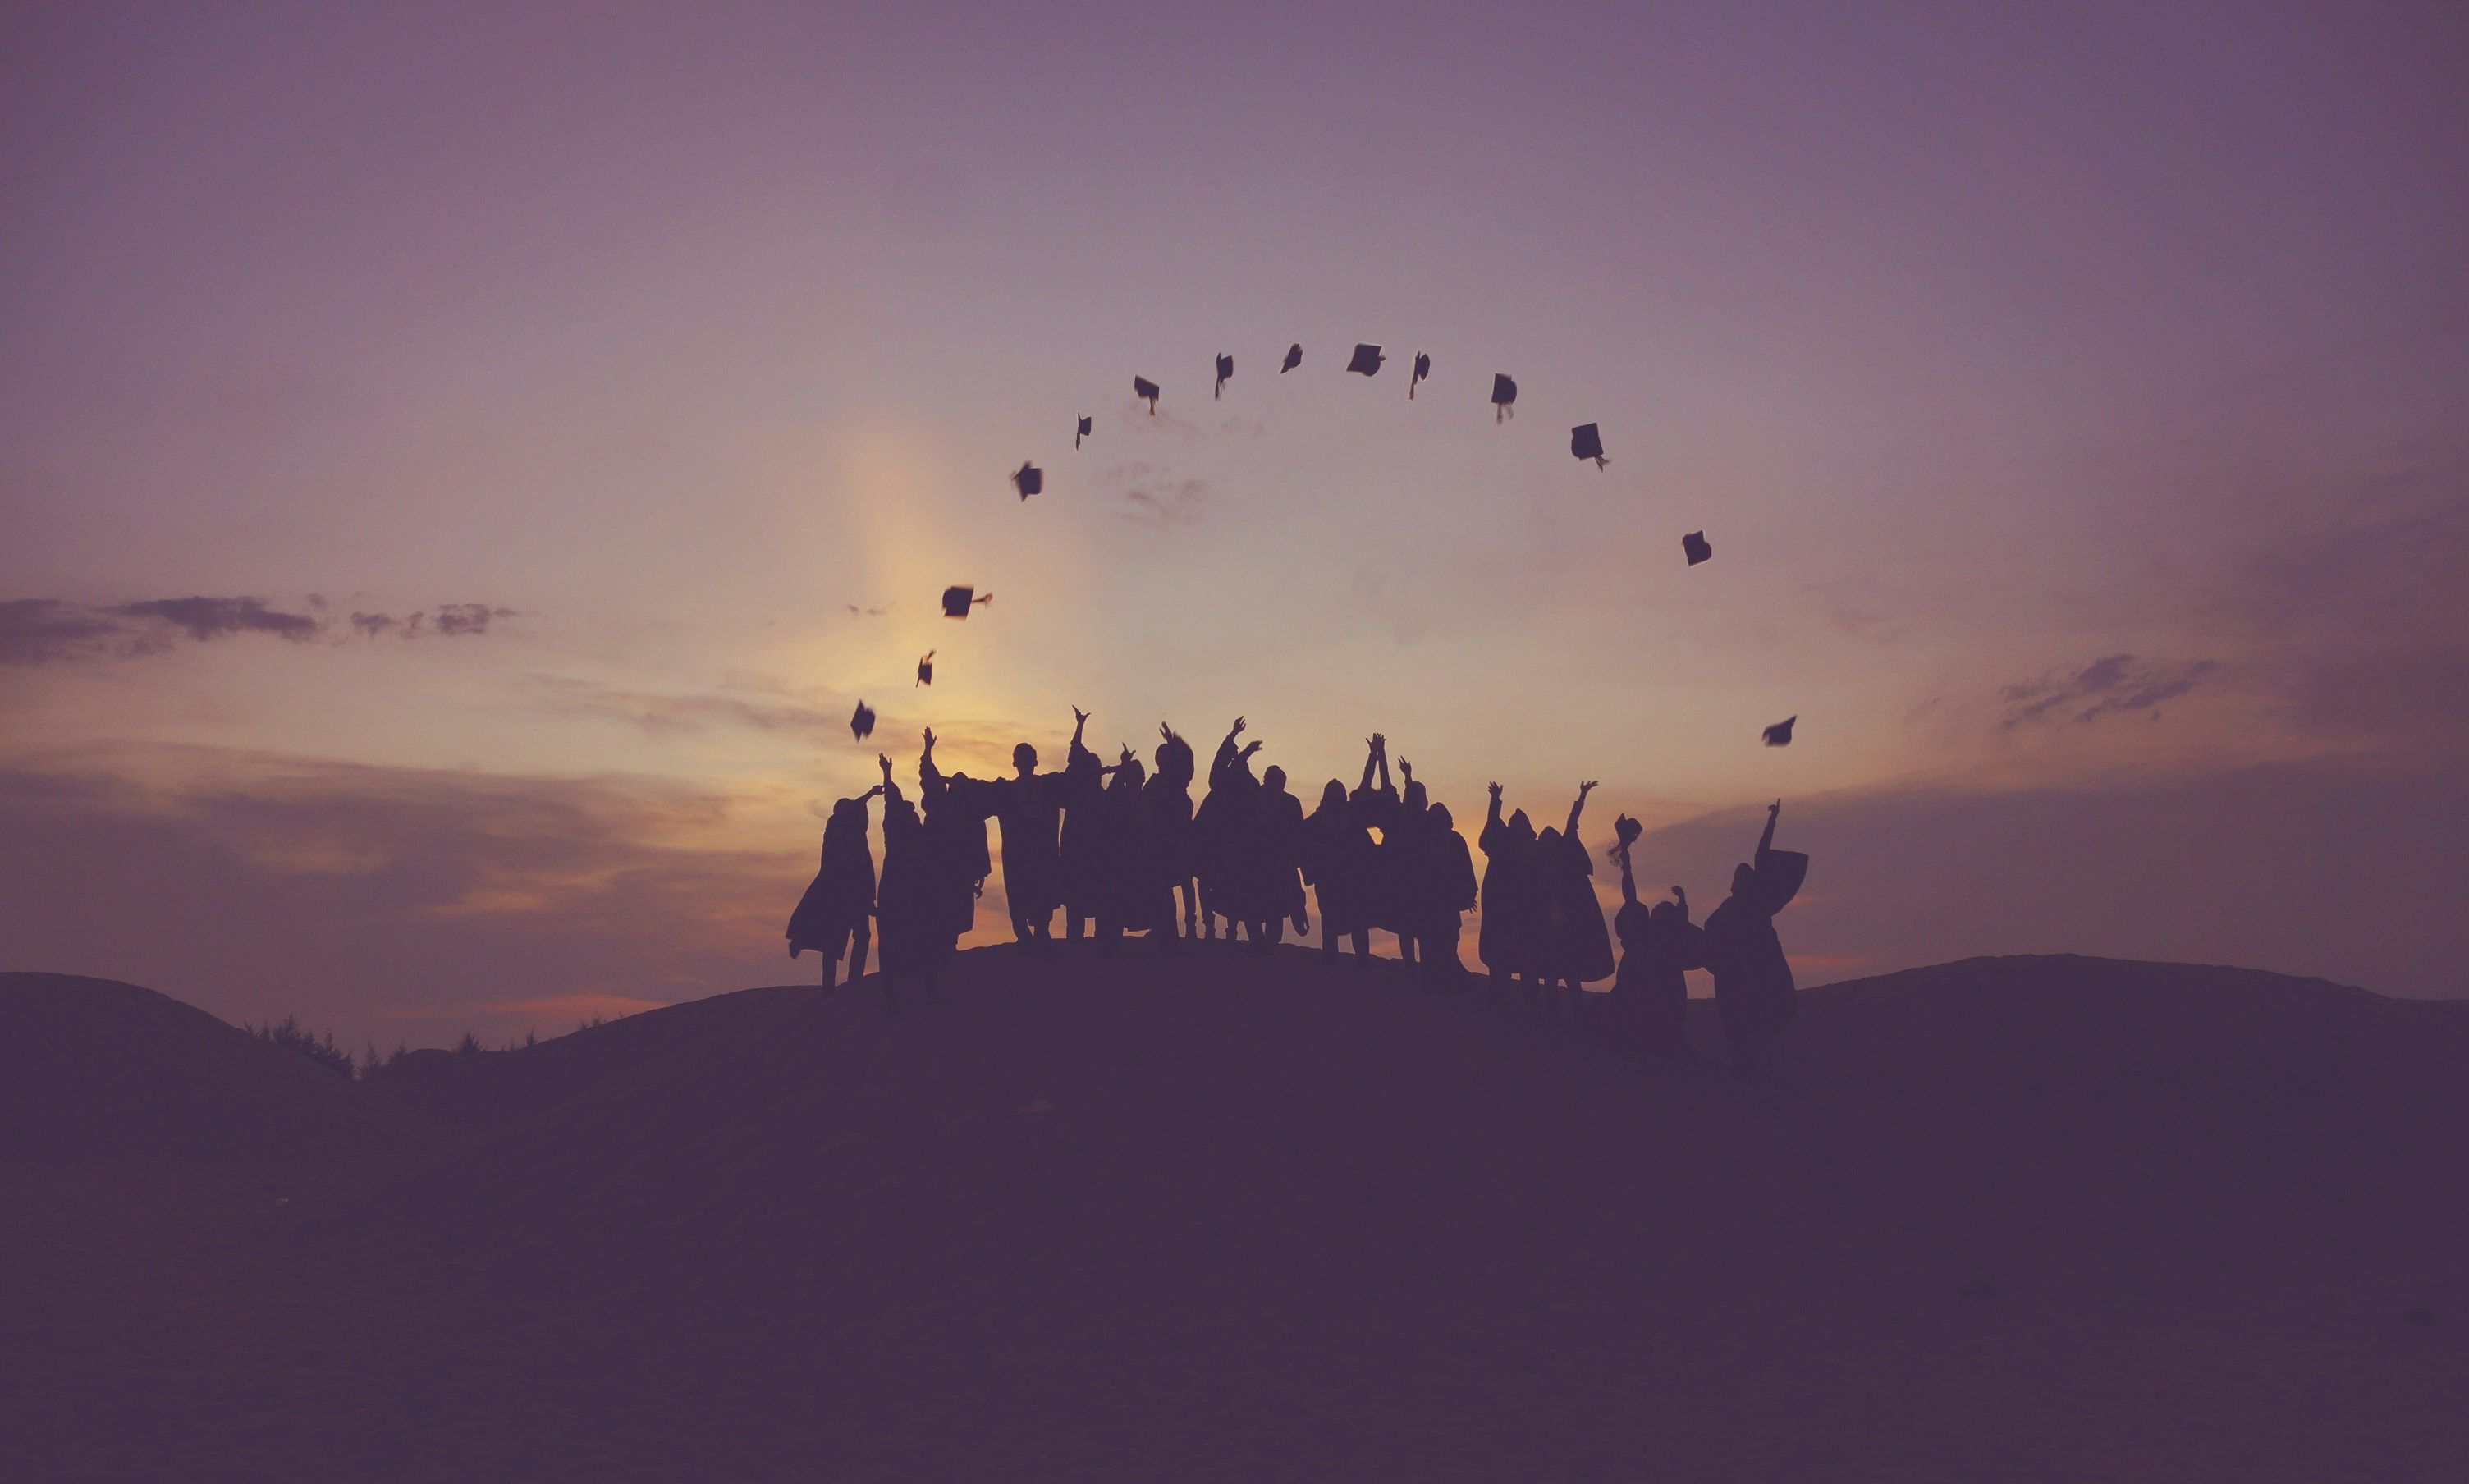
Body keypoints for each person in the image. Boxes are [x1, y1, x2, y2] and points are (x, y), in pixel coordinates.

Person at [1702, 800, 1807, 1077]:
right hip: (1733, 975)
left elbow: (1761, 855)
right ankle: (1746, 1066)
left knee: (1759, 1019)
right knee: (1737, 1022)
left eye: (1743, 877)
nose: (1738, 882)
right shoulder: (1728, 906)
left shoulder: (1757, 902)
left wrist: (1771, 821)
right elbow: (1710, 930)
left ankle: (1763, 1067)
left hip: (1758, 970)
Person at [1609, 816, 1702, 1060]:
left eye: (1664, 908)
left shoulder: (1668, 939)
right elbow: (1630, 892)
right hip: (1636, 986)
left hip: (1662, 991)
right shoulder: (1642, 927)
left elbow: (1682, 926)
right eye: (1660, 906)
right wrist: (1626, 862)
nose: (1659, 908)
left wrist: (1682, 902)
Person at [873, 753, 955, 1011]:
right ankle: (892, 999)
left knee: (925, 942)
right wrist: (887, 775)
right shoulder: (899, 835)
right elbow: (892, 800)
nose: (915, 815)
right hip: (898, 896)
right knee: (891, 946)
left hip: (914, 896)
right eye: (911, 813)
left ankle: (924, 994)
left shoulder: (919, 837)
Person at [785, 781, 882, 990]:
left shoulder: (847, 832)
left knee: (854, 937)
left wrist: (871, 795)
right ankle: (837, 983)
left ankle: (848, 980)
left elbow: (856, 805)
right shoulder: (837, 831)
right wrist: (870, 795)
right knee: (838, 939)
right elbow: (856, 806)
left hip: (851, 895)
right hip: (842, 895)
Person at [1534, 782, 1615, 1023]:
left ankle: (1576, 1016)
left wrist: (1582, 796)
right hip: (1550, 930)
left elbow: (1572, 823)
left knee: (1569, 975)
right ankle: (1553, 1016)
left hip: (1568, 928)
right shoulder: (1539, 868)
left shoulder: (1565, 860)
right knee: (1552, 976)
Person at [988, 717, 1073, 947]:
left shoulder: (1048, 786)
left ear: (1034, 763)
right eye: (1021, 760)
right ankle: (1026, 936)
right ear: (1016, 764)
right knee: (1020, 896)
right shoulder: (1005, 790)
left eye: (1027, 760)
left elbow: (1077, 774)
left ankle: (1038, 934)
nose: (1024, 764)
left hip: (1040, 855)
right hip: (1019, 857)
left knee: (1040, 895)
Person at [918, 728, 992, 953]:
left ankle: (948, 947)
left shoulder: (970, 813)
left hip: (958, 870)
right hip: (940, 867)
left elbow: (978, 843)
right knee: (941, 910)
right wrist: (928, 749)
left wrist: (979, 873)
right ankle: (942, 948)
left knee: (954, 911)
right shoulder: (942, 803)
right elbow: (928, 776)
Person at [1194, 717, 1266, 943]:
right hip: (1215, 843)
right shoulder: (1222, 784)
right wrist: (1236, 739)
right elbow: (1221, 766)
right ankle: (1209, 924)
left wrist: (1243, 749)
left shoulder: (1246, 785)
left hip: (1238, 845)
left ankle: (1231, 929)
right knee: (1206, 882)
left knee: (1235, 885)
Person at [1477, 783, 1542, 1001]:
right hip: (1505, 915)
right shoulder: (1504, 848)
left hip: (1523, 916)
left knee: (1523, 964)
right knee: (1503, 962)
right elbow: (1493, 826)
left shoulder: (1530, 852)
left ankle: (1523, 1002)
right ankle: (1503, 1000)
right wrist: (1494, 801)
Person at [1301, 777, 1374, 964]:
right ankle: (1332, 957)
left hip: (1352, 879)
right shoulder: (1315, 822)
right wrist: (1317, 850)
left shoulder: (1352, 819)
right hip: (1329, 879)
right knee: (1330, 919)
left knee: (1358, 920)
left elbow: (1366, 848)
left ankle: (1361, 958)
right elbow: (1302, 844)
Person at [1413, 800, 1478, 987]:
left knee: (1446, 945)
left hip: (1445, 904)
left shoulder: (1454, 840)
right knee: (1430, 944)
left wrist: (1467, 895)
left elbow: (1465, 870)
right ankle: (1433, 982)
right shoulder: (1425, 841)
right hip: (1430, 904)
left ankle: (1444, 983)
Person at [1057, 708, 1106, 943]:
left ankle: (1089, 941)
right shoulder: (1078, 793)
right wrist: (1080, 726)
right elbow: (1075, 751)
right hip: (1076, 853)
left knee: (1092, 898)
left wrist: (1080, 726)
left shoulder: (1097, 797)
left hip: (1092, 854)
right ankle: (1077, 941)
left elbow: (1075, 751)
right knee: (1077, 900)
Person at [1252, 763, 1308, 951]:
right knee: (1262, 904)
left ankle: (1267, 944)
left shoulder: (1289, 802)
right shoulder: (1256, 798)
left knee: (1273, 906)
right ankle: (1263, 943)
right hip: (1262, 862)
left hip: (1278, 864)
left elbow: (1299, 835)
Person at [1152, 724, 1199, 939]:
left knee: (1185, 881)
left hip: (1180, 840)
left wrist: (1172, 741)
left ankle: (1191, 925)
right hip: (1160, 841)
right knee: (1163, 885)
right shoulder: (1154, 784)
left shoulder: (1179, 783)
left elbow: (1188, 761)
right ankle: (1163, 925)